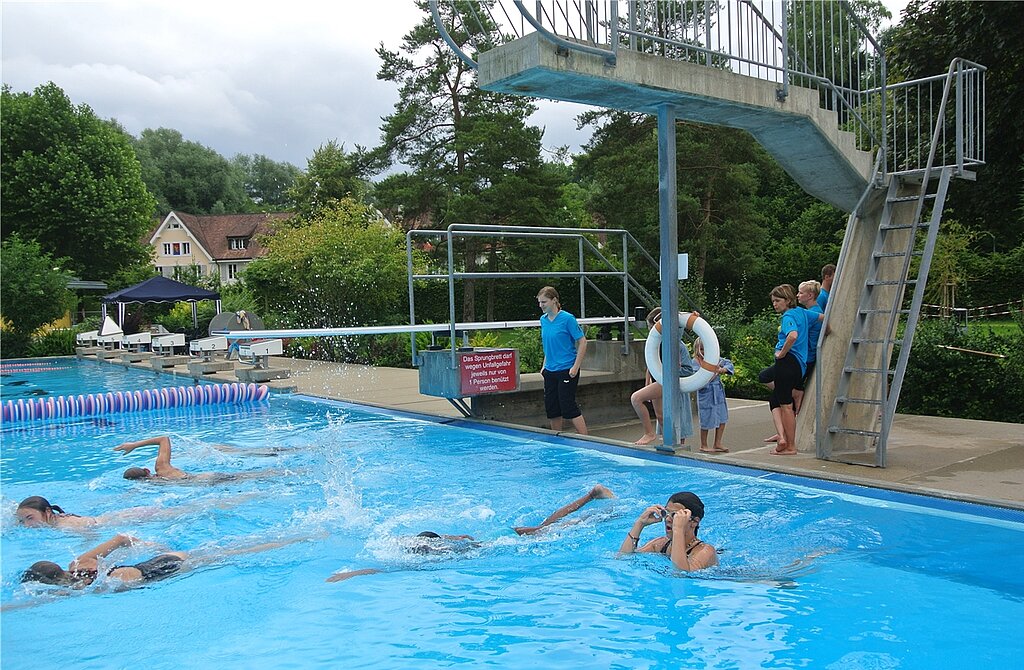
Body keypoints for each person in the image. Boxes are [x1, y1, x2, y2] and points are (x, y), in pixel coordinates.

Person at [327, 485, 617, 583]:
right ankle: (592, 497)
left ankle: (595, 503)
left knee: (553, 531)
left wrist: (351, 574)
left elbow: (384, 570)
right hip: (491, 535)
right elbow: (459, 537)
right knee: (544, 527)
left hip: (495, 543)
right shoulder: (434, 542)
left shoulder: (431, 554)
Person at [20, 533, 306, 590]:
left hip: (166, 569)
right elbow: (121, 537)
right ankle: (290, 537)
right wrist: (150, 545)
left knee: (235, 554)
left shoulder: (79, 587)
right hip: (156, 561)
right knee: (231, 549)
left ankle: (293, 539)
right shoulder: (79, 564)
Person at [630, 308, 694, 446]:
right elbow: (652, 363)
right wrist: (647, 381)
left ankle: (649, 433)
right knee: (660, 417)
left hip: (666, 380)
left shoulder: (674, 342)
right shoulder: (655, 343)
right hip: (657, 378)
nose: (650, 331)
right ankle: (669, 443)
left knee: (636, 398)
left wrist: (692, 316)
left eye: (651, 327)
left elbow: (688, 370)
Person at [757, 285, 808, 456]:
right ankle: (782, 438)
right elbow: (822, 317)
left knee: (786, 406)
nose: (774, 304)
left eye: (778, 301)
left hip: (786, 363)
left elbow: (792, 335)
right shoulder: (802, 312)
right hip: (799, 366)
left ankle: (790, 445)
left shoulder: (788, 316)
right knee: (776, 398)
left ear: (787, 300)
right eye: (773, 301)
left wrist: (782, 353)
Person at [14, 494, 252, 529]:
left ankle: (232, 501)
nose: (26, 524)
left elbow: (90, 533)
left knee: (192, 511)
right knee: (187, 510)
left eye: (29, 518)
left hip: (129, 517)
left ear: (47, 512)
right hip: (123, 515)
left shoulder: (67, 525)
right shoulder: (56, 521)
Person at [618, 491, 717, 572]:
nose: (668, 519)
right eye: (666, 513)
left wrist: (678, 529)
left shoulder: (705, 551)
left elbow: (680, 574)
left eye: (675, 516)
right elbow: (623, 557)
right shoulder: (661, 544)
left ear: (694, 522)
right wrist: (639, 523)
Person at [115, 435, 283, 483]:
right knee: (256, 475)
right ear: (146, 470)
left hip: (203, 485)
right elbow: (164, 439)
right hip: (205, 477)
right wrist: (135, 445)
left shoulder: (152, 485)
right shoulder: (161, 467)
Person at [537, 286, 588, 435]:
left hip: (567, 369)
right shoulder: (543, 320)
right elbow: (549, 344)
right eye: (539, 302)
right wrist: (544, 365)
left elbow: (583, 341)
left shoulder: (567, 319)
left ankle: (586, 438)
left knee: (568, 405)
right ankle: (556, 438)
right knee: (552, 407)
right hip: (550, 370)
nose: (541, 305)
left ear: (554, 301)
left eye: (544, 302)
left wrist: (575, 367)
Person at [692, 337, 734, 453]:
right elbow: (698, 379)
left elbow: (728, 364)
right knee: (706, 418)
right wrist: (713, 373)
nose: (704, 352)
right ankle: (703, 444)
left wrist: (723, 370)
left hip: (718, 391)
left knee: (722, 416)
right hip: (705, 392)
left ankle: (718, 442)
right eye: (701, 349)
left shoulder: (715, 359)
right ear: (697, 349)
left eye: (706, 349)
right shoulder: (695, 362)